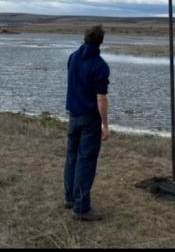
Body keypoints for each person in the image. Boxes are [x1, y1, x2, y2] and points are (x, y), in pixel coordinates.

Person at [63, 24, 110, 221]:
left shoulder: (73, 57)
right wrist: (105, 125)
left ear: (85, 37)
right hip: (89, 118)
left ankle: (70, 198)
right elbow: (101, 98)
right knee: (86, 160)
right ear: (101, 41)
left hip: (73, 115)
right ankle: (81, 207)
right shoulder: (100, 65)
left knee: (72, 157)